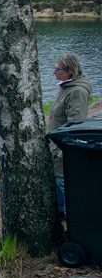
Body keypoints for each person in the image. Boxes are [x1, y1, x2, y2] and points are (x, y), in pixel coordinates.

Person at [48, 54, 92, 215]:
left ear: (70, 71)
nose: (54, 72)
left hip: (63, 150)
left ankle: (70, 216)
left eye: (58, 69)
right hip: (55, 147)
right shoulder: (65, 88)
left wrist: (65, 150)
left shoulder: (77, 92)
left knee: (63, 182)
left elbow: (75, 124)